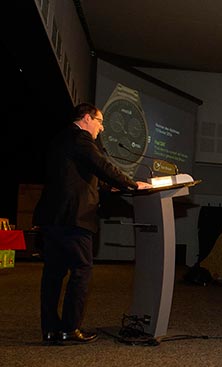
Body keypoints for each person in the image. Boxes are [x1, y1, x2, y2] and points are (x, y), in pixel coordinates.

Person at [33, 103, 151, 344]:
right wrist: (133, 184)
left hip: (53, 217)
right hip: (74, 219)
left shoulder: (60, 139)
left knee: (53, 274)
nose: (102, 127)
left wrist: (109, 187)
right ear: (87, 118)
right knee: (82, 271)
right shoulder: (81, 139)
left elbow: (78, 177)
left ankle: (50, 329)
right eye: (100, 121)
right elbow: (102, 166)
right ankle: (70, 328)